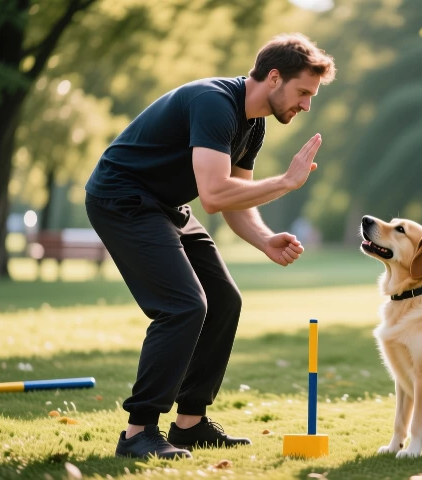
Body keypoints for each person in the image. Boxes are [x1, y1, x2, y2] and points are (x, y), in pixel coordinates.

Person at [83, 33, 336, 459]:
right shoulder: (214, 102)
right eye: (303, 92)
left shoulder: (253, 125)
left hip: (165, 205)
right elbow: (216, 195)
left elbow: (237, 201)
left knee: (224, 299)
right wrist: (288, 182)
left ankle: (190, 423)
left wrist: (264, 239)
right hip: (121, 197)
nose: (306, 105)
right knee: (183, 306)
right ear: (274, 77)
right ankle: (137, 431)